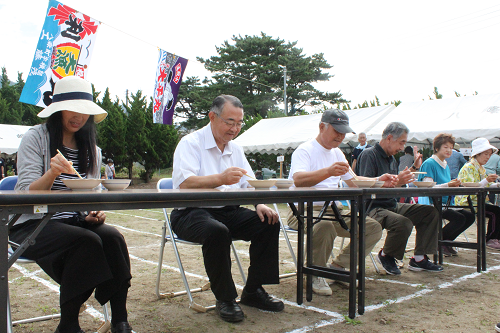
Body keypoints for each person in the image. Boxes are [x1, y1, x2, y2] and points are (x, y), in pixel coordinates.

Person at [10, 76, 133, 333]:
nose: (79, 117)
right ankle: (68, 325)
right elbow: (24, 196)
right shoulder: (36, 138)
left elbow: (92, 193)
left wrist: (96, 211)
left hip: (73, 222)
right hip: (33, 223)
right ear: (57, 110)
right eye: (72, 110)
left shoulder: (92, 149)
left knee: (113, 238)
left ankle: (120, 320)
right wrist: (52, 173)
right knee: (86, 242)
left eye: (85, 111)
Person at [171, 95, 284, 323]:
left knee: (269, 222)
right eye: (230, 122)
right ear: (212, 117)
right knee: (217, 231)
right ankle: (225, 298)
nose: (234, 129)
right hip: (191, 212)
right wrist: (220, 178)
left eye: (239, 123)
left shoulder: (236, 149)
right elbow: (185, 183)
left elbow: (248, 183)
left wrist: (259, 203)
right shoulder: (190, 143)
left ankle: (253, 290)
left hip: (227, 210)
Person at [286, 109, 396, 296]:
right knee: (325, 226)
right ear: (322, 127)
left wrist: (378, 180)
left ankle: (337, 267)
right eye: (337, 131)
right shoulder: (305, 150)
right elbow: (298, 180)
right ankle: (314, 273)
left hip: (332, 210)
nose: (341, 136)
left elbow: (354, 182)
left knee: (372, 227)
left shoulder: (337, 153)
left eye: (343, 132)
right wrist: (328, 172)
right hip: (302, 210)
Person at [356, 122, 443, 274]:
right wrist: (398, 182)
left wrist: (414, 169)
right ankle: (386, 255)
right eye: (401, 142)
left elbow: (396, 185)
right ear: (389, 138)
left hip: (391, 205)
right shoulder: (369, 155)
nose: (402, 148)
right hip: (371, 207)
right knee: (403, 223)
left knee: (430, 212)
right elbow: (365, 187)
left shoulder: (391, 158)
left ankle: (419, 258)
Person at [417, 133, 475, 257]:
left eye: (451, 147)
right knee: (459, 218)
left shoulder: (445, 164)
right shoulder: (430, 163)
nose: (449, 150)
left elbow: (446, 185)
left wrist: (455, 185)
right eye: (446, 147)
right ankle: (440, 242)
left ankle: (446, 241)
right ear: (437, 148)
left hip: (446, 202)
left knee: (470, 216)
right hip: (433, 203)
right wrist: (448, 185)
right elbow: (428, 188)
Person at [455, 138, 500, 250]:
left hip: (477, 200)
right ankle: (490, 239)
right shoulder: (469, 167)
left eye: (489, 154)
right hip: (468, 202)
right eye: (486, 154)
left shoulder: (480, 168)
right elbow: (472, 186)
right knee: (496, 212)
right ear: (477, 154)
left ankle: (494, 238)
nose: (488, 157)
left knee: (496, 210)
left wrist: (496, 185)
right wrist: (487, 181)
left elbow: (485, 185)